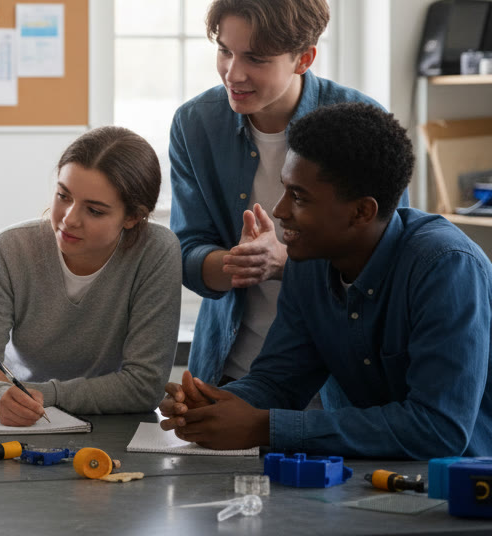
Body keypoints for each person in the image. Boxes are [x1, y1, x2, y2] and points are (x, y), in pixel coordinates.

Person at [159, 103, 492, 458]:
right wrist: (210, 404)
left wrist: (262, 426)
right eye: (285, 189)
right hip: (368, 483)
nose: (280, 210)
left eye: (299, 197)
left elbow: (438, 429)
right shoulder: (310, 262)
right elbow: (279, 381)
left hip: (460, 492)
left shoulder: (446, 267)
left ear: (362, 211)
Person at [169, 0, 402, 392]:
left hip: (337, 375)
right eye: (225, 50)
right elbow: (185, 250)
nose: (232, 73)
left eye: (255, 58)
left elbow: (388, 263)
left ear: (304, 58)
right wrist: (235, 264)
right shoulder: (194, 124)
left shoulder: (362, 125)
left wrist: (285, 262)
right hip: (230, 366)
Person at [0, 127, 181, 424]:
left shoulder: (156, 252)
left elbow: (144, 386)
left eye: (94, 211)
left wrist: (40, 392)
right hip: (23, 425)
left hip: (120, 430)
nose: (69, 219)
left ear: (133, 217)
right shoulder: (10, 249)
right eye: (63, 195)